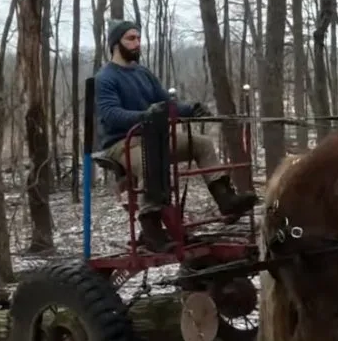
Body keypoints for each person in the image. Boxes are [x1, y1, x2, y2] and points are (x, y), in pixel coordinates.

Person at [94, 19, 258, 251]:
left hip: (155, 137)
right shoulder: (106, 77)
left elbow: (165, 104)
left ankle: (226, 200)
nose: (137, 43)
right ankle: (151, 229)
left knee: (202, 143)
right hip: (123, 142)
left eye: (138, 38)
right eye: (130, 38)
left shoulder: (144, 74)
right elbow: (112, 115)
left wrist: (191, 108)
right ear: (115, 44)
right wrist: (145, 116)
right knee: (149, 162)